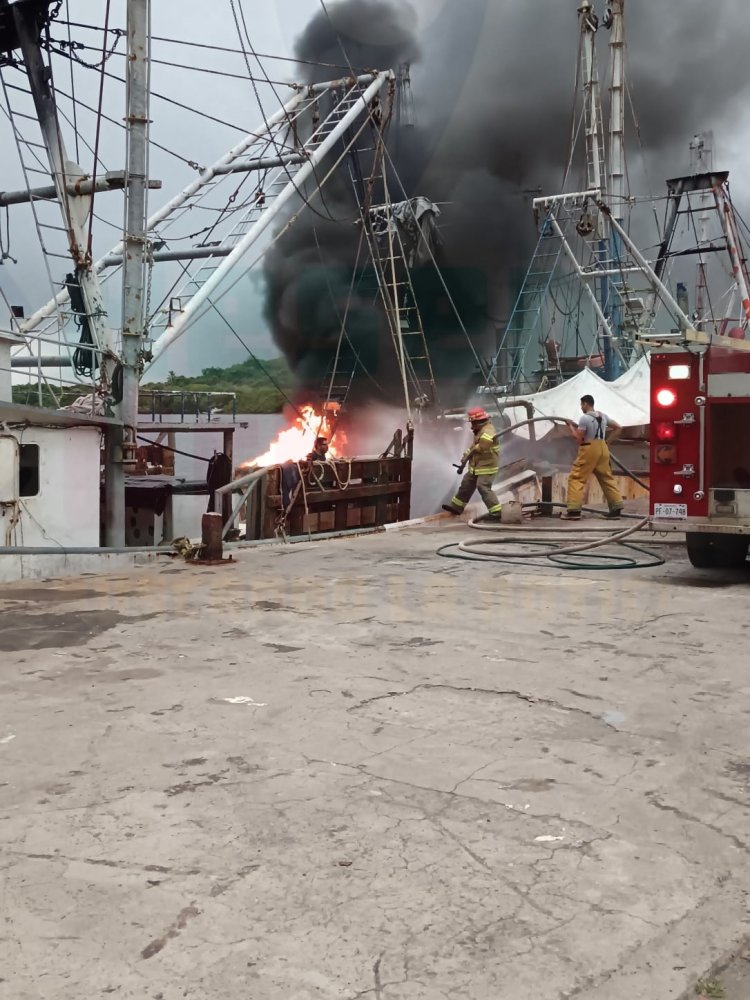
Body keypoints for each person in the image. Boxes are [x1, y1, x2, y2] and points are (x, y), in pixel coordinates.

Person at [564, 394, 624, 519]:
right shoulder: (603, 416)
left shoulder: (584, 418)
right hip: (603, 448)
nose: (581, 407)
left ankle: (573, 511)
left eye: (581, 404)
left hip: (589, 448)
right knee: (606, 478)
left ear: (586, 404)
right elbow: (618, 427)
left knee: (576, 477)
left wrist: (570, 427)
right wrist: (607, 442)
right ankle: (616, 508)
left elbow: (579, 439)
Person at [442, 407, 503, 520]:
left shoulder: (488, 430)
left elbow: (482, 446)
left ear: (478, 422)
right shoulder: (479, 431)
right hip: (476, 466)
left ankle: (496, 512)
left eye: (473, 423)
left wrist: (472, 452)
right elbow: (473, 447)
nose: (471, 426)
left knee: (483, 487)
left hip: (487, 467)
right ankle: (457, 507)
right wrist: (465, 456)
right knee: (466, 484)